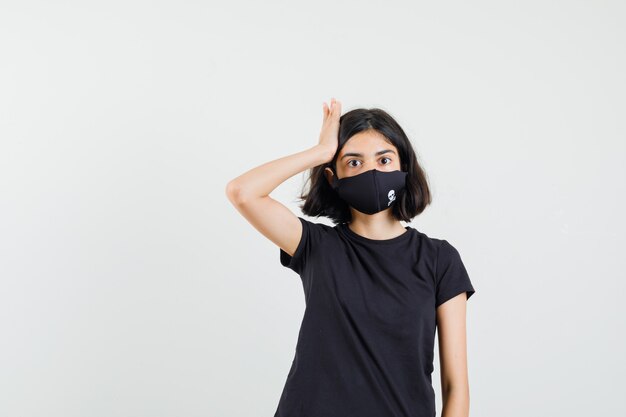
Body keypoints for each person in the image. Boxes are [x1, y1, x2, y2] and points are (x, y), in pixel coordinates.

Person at [225, 98, 476, 417]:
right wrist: (319, 152)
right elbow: (242, 192)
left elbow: (456, 389)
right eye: (354, 162)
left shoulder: (439, 259)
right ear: (334, 177)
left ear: (403, 168)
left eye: (384, 160)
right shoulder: (315, 245)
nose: (371, 172)